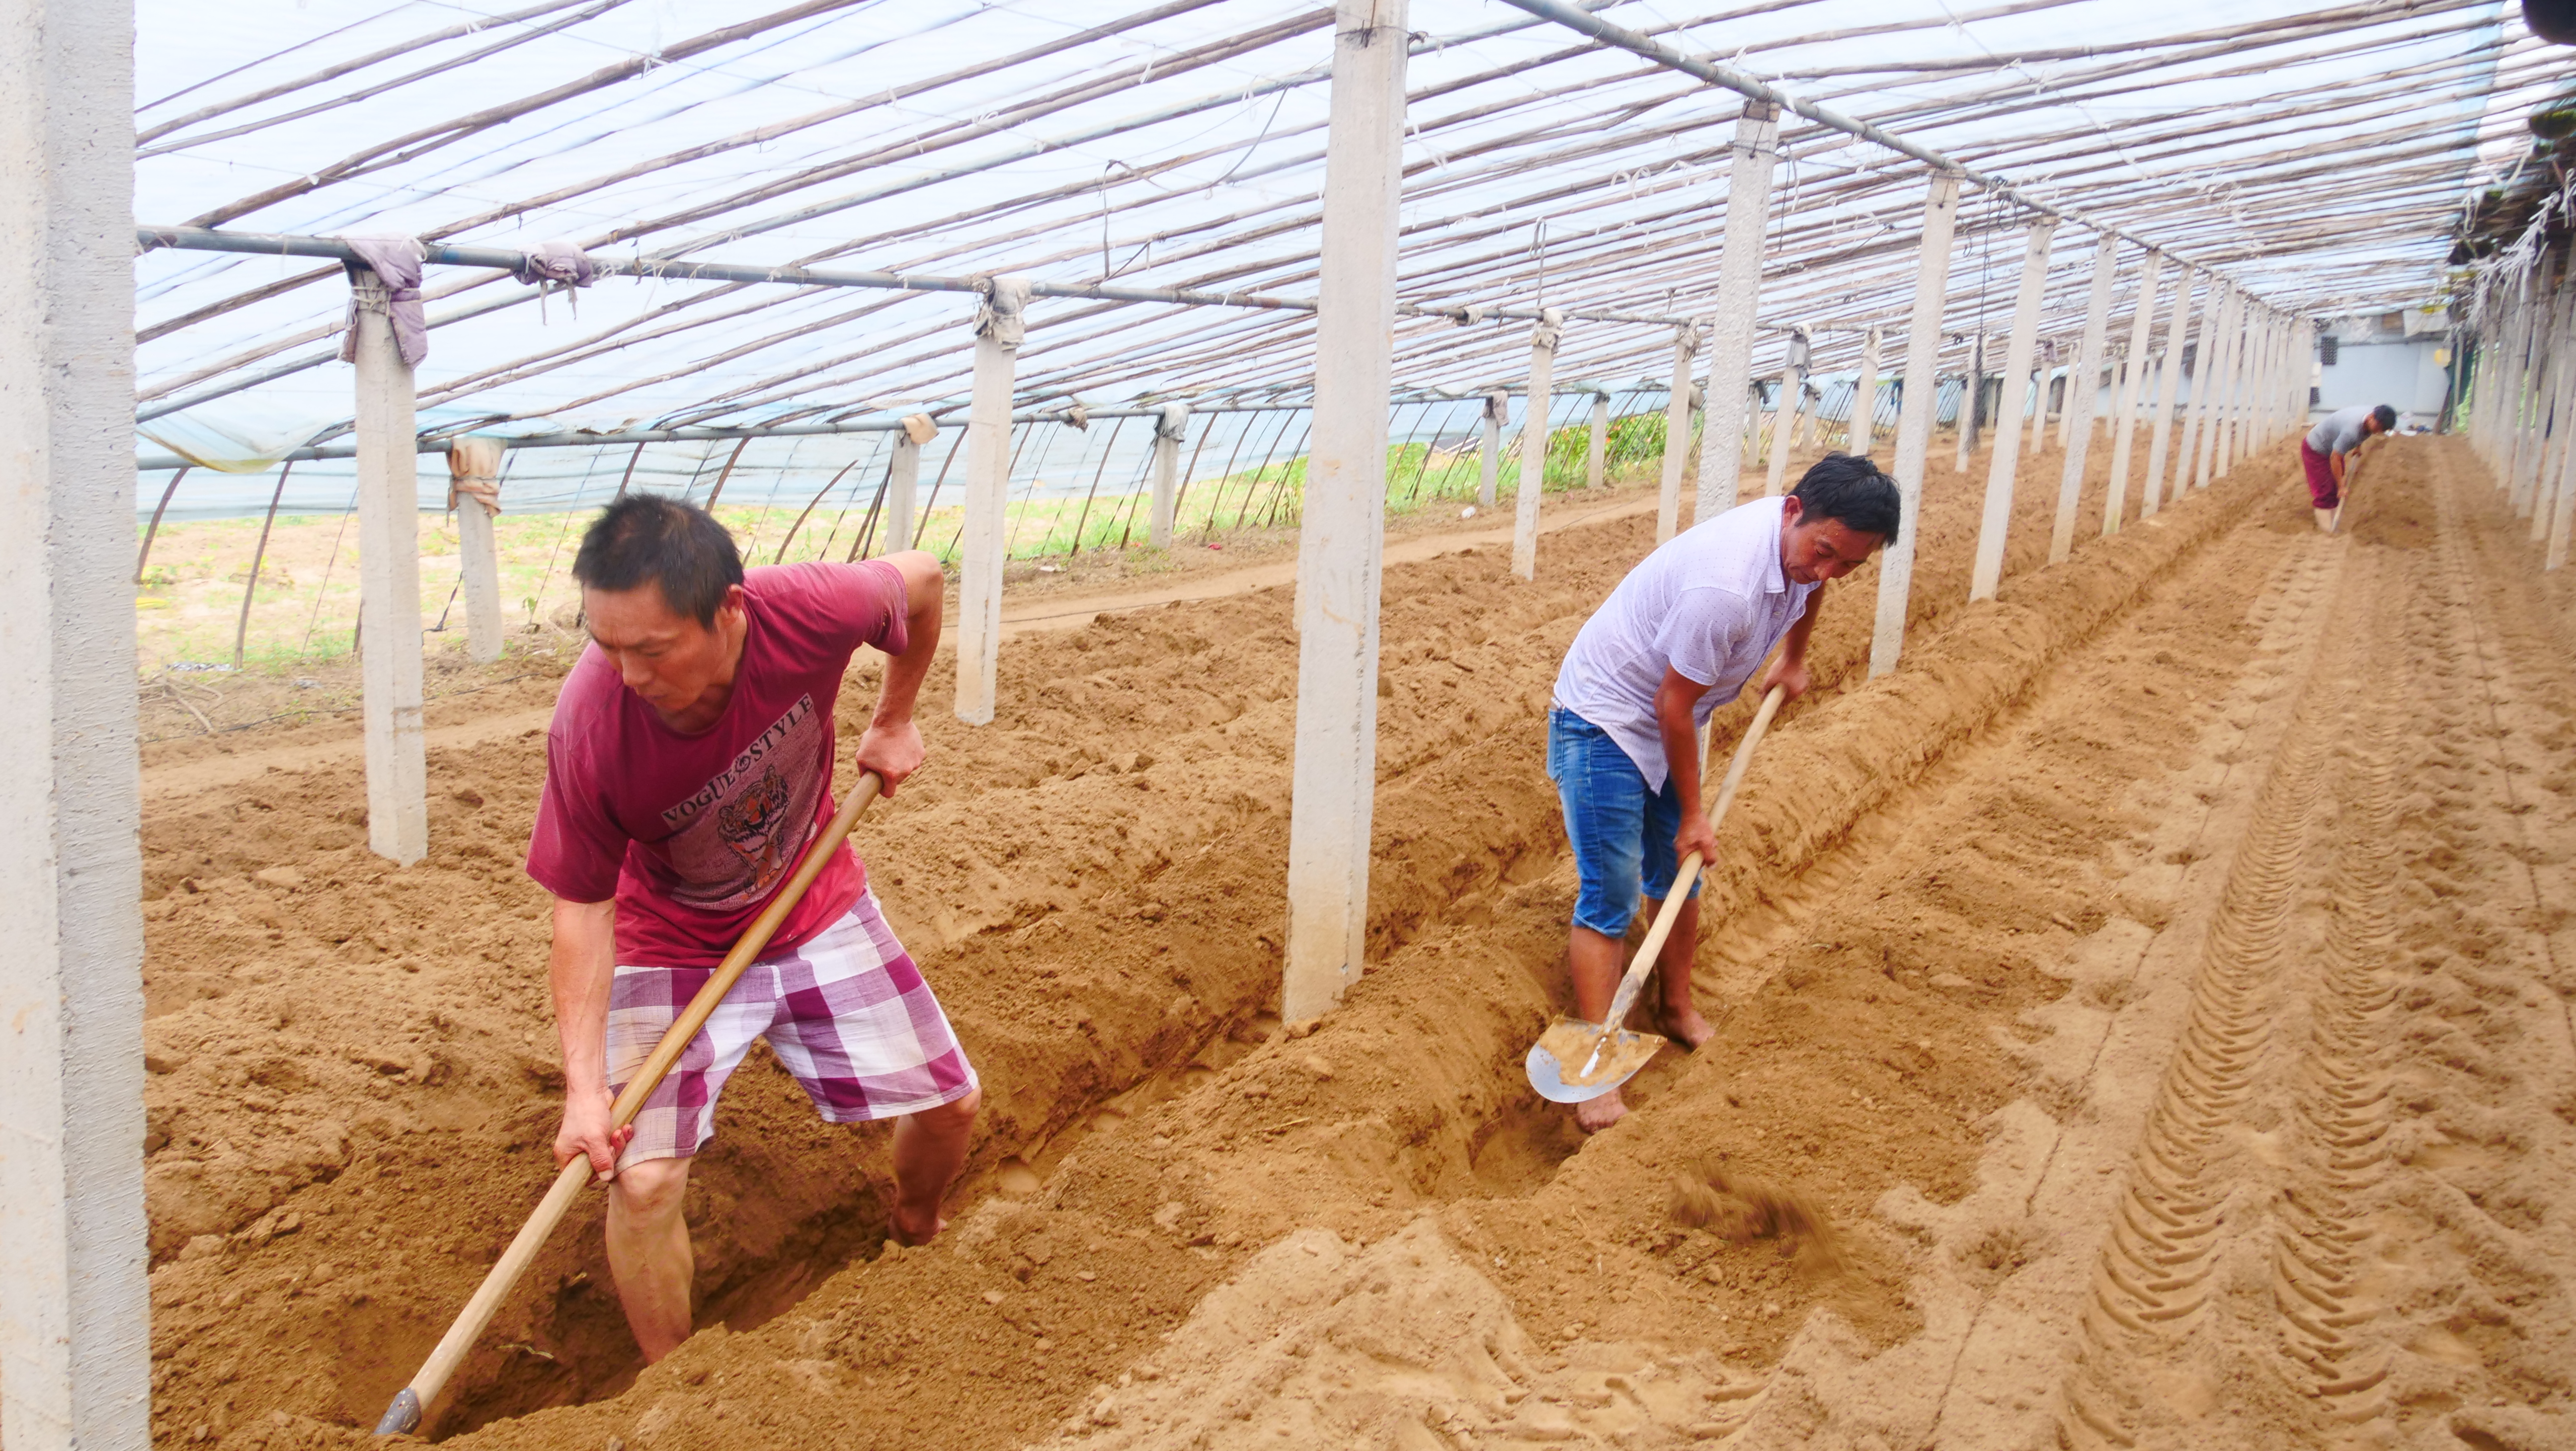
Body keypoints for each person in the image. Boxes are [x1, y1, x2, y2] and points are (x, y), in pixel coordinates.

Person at [527, 496, 979, 1362]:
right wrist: (585, 1089)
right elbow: (581, 912)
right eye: (605, 645)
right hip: (674, 939)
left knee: (952, 1105)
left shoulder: (808, 608)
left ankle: (917, 1225)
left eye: (652, 649)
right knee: (646, 1181)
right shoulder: (591, 728)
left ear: (729, 609)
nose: (627, 674)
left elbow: (921, 579)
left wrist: (894, 717)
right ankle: (682, 1384)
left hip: (813, 902)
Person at [1546, 454, 1901, 1132]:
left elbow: (1811, 588)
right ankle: (1591, 1067)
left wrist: (1794, 658)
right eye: (1825, 552)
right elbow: (1673, 706)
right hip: (1602, 722)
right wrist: (1695, 815)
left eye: (1850, 566)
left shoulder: (1804, 556)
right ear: (1793, 510)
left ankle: (1675, 1007)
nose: (1828, 572)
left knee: (1680, 876)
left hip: (1663, 715)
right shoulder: (1728, 587)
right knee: (1612, 891)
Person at [2300, 402, 2396, 533]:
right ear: (2372, 417)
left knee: (2334, 486)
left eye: (2382, 430)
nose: (2378, 431)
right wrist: (2341, 487)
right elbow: (2335, 458)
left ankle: (2332, 521)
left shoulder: (2371, 418)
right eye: (2378, 427)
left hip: (2331, 447)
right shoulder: (2351, 432)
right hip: (2316, 449)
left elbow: (2364, 433)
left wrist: (2358, 446)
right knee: (2325, 491)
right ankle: (2327, 532)